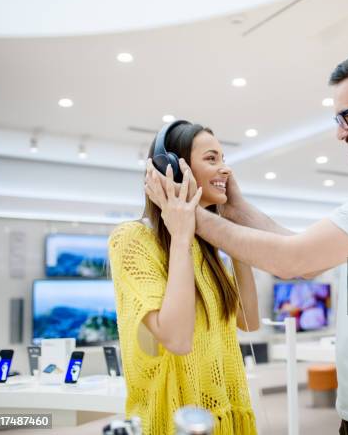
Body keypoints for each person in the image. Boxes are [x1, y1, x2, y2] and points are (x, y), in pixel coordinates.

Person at [145, 49, 348, 434]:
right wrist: (236, 211)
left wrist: (188, 214)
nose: (340, 131)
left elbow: (293, 261)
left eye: (346, 116)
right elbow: (307, 257)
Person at [109, 122, 259, 435]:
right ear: (174, 171)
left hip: (224, 417)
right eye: (212, 159)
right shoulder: (132, 240)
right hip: (172, 421)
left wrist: (235, 230)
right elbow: (177, 339)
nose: (225, 169)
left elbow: (249, 320)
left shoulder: (207, 248)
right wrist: (180, 233)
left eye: (223, 158)